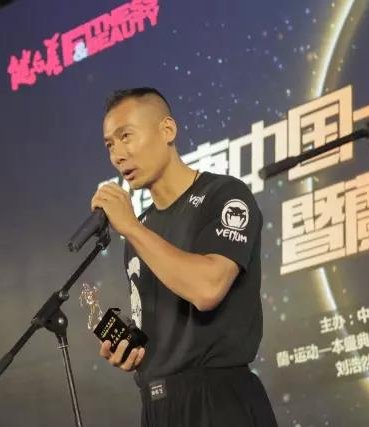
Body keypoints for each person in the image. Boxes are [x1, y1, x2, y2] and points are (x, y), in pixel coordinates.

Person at [91, 87, 278, 427]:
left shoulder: (223, 195)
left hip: (218, 400)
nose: (118, 154)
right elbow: (164, 326)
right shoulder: (141, 229)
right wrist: (131, 349)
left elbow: (207, 289)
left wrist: (131, 228)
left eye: (126, 136)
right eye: (109, 145)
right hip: (157, 406)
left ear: (167, 130)